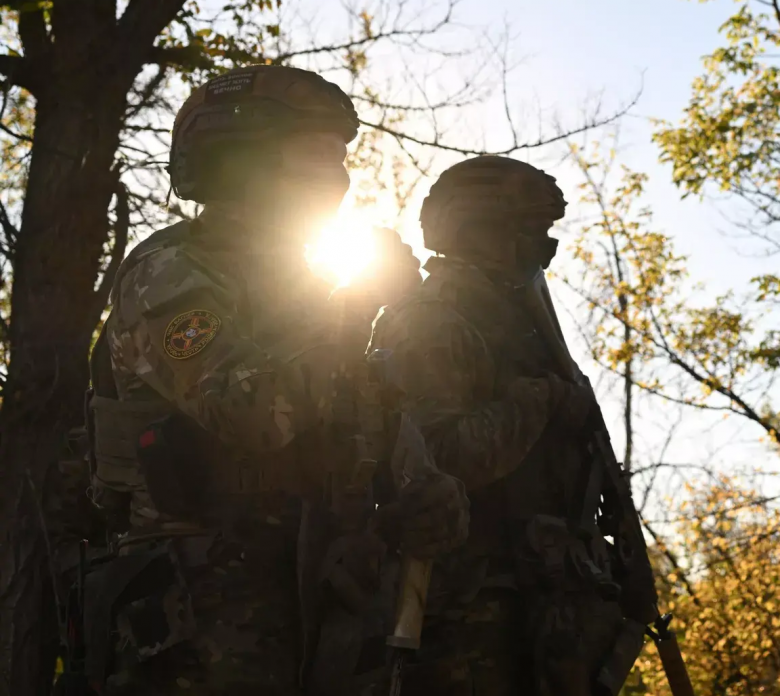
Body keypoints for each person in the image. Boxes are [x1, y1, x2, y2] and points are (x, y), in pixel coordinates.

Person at [84, 65, 468, 695]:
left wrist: (425, 490)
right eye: (316, 153)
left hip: (324, 603)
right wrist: (353, 310)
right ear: (245, 158)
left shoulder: (310, 289)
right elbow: (256, 416)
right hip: (205, 614)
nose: (337, 177)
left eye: (341, 157)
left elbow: (364, 425)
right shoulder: (168, 274)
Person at [368, 155, 649, 695]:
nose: (542, 249)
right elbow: (440, 459)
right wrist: (540, 399)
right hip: (471, 617)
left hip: (550, 611)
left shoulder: (519, 326)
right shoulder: (432, 316)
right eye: (528, 232)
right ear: (477, 230)